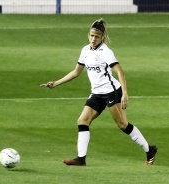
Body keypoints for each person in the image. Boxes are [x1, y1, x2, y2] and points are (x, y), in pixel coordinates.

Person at [40, 18, 157, 166]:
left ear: (102, 37)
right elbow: (76, 72)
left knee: (123, 125)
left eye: (97, 36)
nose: (93, 39)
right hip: (96, 93)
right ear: (88, 35)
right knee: (82, 121)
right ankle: (80, 159)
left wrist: (125, 93)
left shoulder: (105, 52)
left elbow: (120, 72)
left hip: (111, 92)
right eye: (91, 35)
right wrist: (56, 83)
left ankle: (149, 149)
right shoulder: (85, 50)